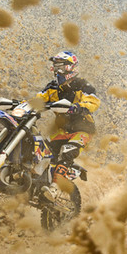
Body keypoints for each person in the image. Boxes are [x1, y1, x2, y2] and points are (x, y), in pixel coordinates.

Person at [36, 50, 100, 202]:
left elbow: (93, 101)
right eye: (55, 67)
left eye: (60, 67)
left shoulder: (83, 85)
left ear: (71, 68)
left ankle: (54, 189)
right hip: (62, 131)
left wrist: (78, 107)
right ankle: (37, 182)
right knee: (41, 151)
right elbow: (38, 99)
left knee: (66, 152)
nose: (57, 71)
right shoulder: (52, 87)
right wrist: (23, 106)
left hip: (83, 129)